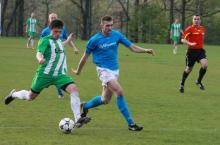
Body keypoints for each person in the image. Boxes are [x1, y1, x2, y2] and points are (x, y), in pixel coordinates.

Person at [73, 15, 154, 131]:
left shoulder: (117, 35)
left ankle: (85, 106)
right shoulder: (94, 40)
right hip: (103, 71)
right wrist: (78, 71)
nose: (110, 28)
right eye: (107, 25)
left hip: (115, 71)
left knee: (105, 100)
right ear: (101, 25)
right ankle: (131, 124)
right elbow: (85, 57)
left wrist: (145, 50)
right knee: (119, 92)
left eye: (111, 25)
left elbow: (132, 47)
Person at [4, 19, 90, 127]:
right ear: (50, 30)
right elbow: (39, 52)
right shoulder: (45, 40)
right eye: (55, 32)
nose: (58, 34)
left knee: (74, 89)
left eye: (60, 32)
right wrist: (40, 59)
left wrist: (68, 40)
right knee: (31, 96)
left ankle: (78, 118)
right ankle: (14, 94)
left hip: (60, 75)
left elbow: (60, 45)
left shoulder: (58, 41)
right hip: (44, 74)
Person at [41, 13, 79, 98]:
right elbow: (41, 45)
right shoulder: (45, 31)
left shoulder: (62, 29)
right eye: (51, 18)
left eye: (55, 17)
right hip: (49, 57)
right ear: (49, 19)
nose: (53, 19)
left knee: (61, 73)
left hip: (61, 54)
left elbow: (67, 39)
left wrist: (74, 48)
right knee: (54, 74)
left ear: (57, 18)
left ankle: (60, 92)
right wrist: (41, 56)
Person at [179, 15, 207, 93]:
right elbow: (182, 40)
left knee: (205, 65)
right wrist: (190, 43)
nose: (196, 20)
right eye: (195, 19)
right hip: (191, 52)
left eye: (198, 19)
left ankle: (198, 81)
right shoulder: (189, 29)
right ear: (192, 20)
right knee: (189, 69)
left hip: (200, 51)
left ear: (200, 20)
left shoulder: (202, 28)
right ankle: (182, 83)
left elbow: (201, 38)